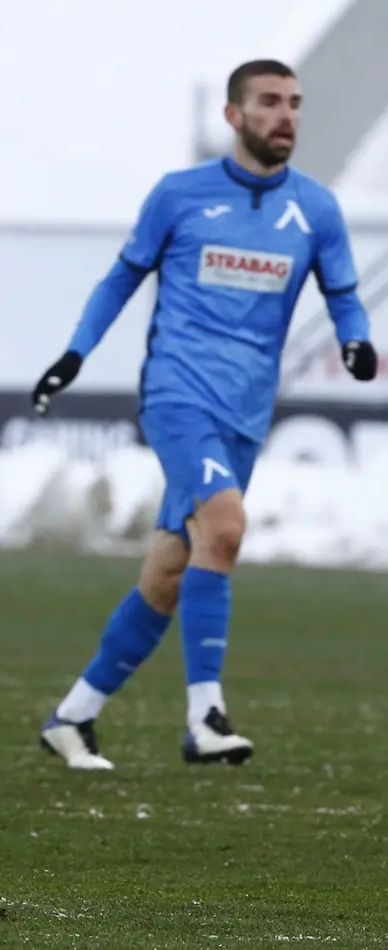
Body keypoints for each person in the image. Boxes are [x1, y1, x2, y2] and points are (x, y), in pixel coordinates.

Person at [31, 60, 377, 770]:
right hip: (178, 394)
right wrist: (75, 354)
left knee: (170, 571)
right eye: (270, 101)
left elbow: (343, 293)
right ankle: (205, 717)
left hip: (247, 411)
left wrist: (356, 339)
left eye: (295, 103)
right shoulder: (180, 195)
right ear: (233, 115)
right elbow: (122, 277)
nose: (286, 115)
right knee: (225, 527)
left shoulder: (315, 209)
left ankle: (74, 716)